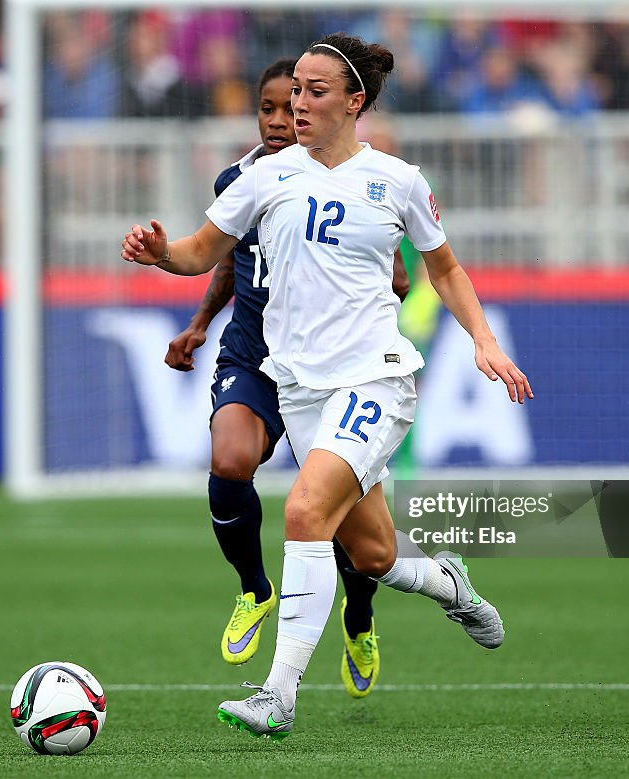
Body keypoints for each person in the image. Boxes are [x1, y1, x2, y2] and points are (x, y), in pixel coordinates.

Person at [121, 32, 532, 740]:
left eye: (314, 92)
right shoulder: (263, 178)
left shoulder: (398, 180)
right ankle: (450, 584)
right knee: (373, 555)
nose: (296, 106)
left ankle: (276, 696)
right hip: (301, 392)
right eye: (293, 93)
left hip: (375, 377)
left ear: (354, 102)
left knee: (305, 512)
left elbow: (446, 270)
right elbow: (198, 252)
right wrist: (161, 255)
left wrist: (484, 341)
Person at [164, 58, 409, 699]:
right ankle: (254, 589)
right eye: (271, 106)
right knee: (230, 459)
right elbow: (222, 260)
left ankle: (359, 616)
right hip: (254, 356)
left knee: (349, 529)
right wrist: (198, 325)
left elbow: (399, 270)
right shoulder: (245, 179)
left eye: (293, 101)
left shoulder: (357, 178)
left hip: (329, 364)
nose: (281, 117)